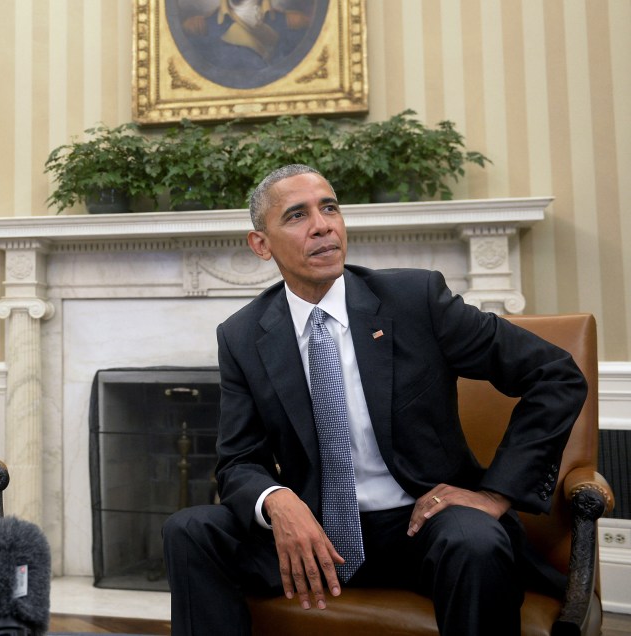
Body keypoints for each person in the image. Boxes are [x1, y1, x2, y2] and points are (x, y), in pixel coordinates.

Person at [162, 164, 588, 635]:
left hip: (423, 526)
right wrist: (278, 501)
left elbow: (555, 374)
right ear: (261, 244)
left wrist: (494, 493)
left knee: (475, 540)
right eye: (297, 215)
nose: (322, 225)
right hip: (317, 536)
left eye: (329, 208)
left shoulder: (414, 300)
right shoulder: (243, 335)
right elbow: (238, 460)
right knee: (191, 531)